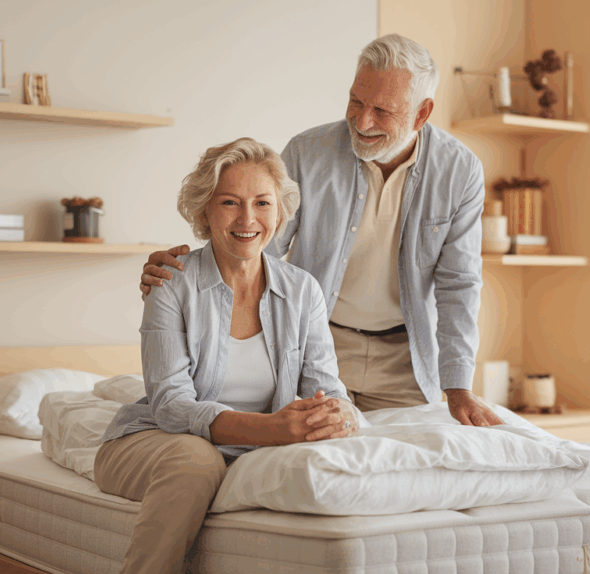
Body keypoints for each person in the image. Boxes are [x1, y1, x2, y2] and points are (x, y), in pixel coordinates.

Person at [141, 34, 503, 427]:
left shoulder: (459, 171)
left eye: (382, 111)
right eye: (356, 102)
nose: (362, 122)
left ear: (420, 114)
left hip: (406, 356)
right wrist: (186, 276)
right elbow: (258, 242)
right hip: (320, 345)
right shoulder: (307, 151)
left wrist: (458, 386)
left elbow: (459, 284)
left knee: (404, 472)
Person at [97, 137, 360, 574]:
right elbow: (170, 406)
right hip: (152, 441)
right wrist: (272, 429)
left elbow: (329, 389)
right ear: (204, 211)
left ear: (280, 212)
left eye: (262, 203)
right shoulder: (171, 283)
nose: (248, 219)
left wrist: (339, 418)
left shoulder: (302, 291)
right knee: (198, 460)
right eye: (229, 203)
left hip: (258, 442)